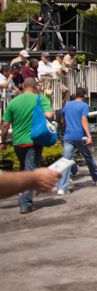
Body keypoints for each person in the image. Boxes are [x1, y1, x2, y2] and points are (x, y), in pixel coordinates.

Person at [0, 77, 54, 214]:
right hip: (33, 141)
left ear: (23, 86)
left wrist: (3, 141)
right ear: (35, 87)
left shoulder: (13, 102)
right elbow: (49, 115)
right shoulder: (40, 99)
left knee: (25, 169)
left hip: (18, 142)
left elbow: (5, 125)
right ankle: (25, 203)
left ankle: (23, 195)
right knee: (30, 172)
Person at [55, 87, 97, 195]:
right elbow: (84, 120)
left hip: (68, 136)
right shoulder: (84, 105)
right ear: (84, 96)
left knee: (66, 161)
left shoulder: (67, 105)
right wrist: (89, 136)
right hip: (79, 136)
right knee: (88, 157)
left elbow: (62, 117)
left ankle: (62, 187)